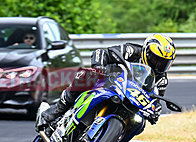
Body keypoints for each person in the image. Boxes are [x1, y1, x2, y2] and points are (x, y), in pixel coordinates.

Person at [38, 33, 176, 128]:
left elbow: (156, 99)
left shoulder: (161, 80)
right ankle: (57, 110)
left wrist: (155, 110)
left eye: (164, 62)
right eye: (156, 59)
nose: (158, 65)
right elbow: (102, 52)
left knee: (140, 124)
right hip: (108, 81)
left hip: (129, 99)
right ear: (146, 52)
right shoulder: (132, 51)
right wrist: (99, 67)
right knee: (86, 75)